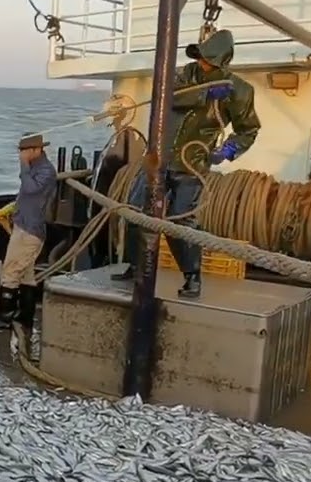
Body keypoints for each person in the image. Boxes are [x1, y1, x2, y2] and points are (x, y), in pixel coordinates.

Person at [110, 29, 260, 299]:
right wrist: (205, 95)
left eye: (210, 61)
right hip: (158, 158)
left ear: (222, 62)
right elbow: (167, 97)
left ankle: (192, 277)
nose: (203, 64)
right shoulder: (183, 75)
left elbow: (248, 130)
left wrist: (225, 150)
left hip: (192, 164)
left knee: (181, 222)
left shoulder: (239, 90)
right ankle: (135, 265)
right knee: (134, 212)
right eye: (202, 57)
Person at [0, 135, 57, 333]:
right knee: (26, 275)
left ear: (35, 150)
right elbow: (25, 197)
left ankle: (3, 319)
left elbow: (31, 189)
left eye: (23, 151)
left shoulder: (46, 172)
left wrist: (23, 165)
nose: (20, 155)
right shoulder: (35, 169)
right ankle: (25, 316)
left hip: (30, 231)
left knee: (11, 272)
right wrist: (11, 209)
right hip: (23, 226)